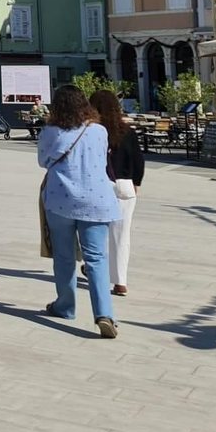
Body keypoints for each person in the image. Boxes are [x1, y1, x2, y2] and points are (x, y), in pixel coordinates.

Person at [37, 85, 120, 338]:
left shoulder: (50, 131)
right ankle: (104, 313)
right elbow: (102, 161)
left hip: (61, 199)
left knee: (64, 256)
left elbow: (43, 161)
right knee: (96, 258)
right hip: (97, 199)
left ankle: (65, 306)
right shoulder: (99, 130)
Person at [90, 90, 143, 297]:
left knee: (96, 231)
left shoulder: (95, 131)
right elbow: (138, 160)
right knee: (122, 234)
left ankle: (94, 266)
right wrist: (136, 182)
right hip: (125, 185)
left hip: (101, 184)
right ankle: (121, 282)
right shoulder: (127, 131)